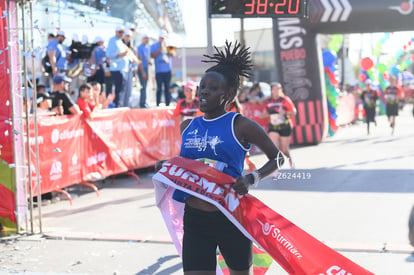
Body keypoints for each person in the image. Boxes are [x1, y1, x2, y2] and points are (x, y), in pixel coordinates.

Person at [156, 41, 283, 274]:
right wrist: (166, 166)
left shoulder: (241, 125)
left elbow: (278, 158)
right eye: (202, 86)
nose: (204, 91)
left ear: (229, 95)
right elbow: (188, 165)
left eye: (212, 88)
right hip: (194, 219)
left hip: (231, 217)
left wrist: (252, 178)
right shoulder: (187, 126)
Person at [264, 82, 297, 168]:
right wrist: (262, 114)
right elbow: (265, 113)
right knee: (275, 149)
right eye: (274, 89)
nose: (277, 91)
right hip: (273, 127)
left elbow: (294, 112)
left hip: (285, 126)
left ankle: (290, 159)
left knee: (284, 150)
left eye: (278, 89)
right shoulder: (268, 101)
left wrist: (285, 112)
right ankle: (275, 169)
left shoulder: (285, 100)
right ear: (271, 91)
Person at [106, 25, 129, 107]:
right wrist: (120, 55)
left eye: (123, 32)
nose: (121, 34)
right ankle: (116, 105)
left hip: (123, 69)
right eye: (120, 32)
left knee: (121, 90)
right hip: (116, 69)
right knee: (118, 90)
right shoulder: (112, 41)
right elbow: (109, 54)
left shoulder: (120, 41)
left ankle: (119, 104)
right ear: (116, 32)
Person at [151, 30, 173, 106]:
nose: (162, 39)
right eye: (161, 38)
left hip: (167, 71)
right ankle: (158, 103)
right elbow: (152, 55)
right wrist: (160, 48)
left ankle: (168, 103)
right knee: (159, 88)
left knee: (167, 88)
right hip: (159, 71)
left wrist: (166, 48)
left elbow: (173, 54)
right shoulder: (154, 45)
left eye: (163, 38)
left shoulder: (169, 45)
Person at [137, 33, 150, 108]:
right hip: (142, 69)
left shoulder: (146, 48)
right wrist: (143, 72)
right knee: (143, 86)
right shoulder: (139, 48)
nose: (147, 40)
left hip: (146, 68)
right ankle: (142, 103)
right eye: (145, 38)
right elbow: (140, 61)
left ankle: (144, 101)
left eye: (147, 38)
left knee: (145, 86)